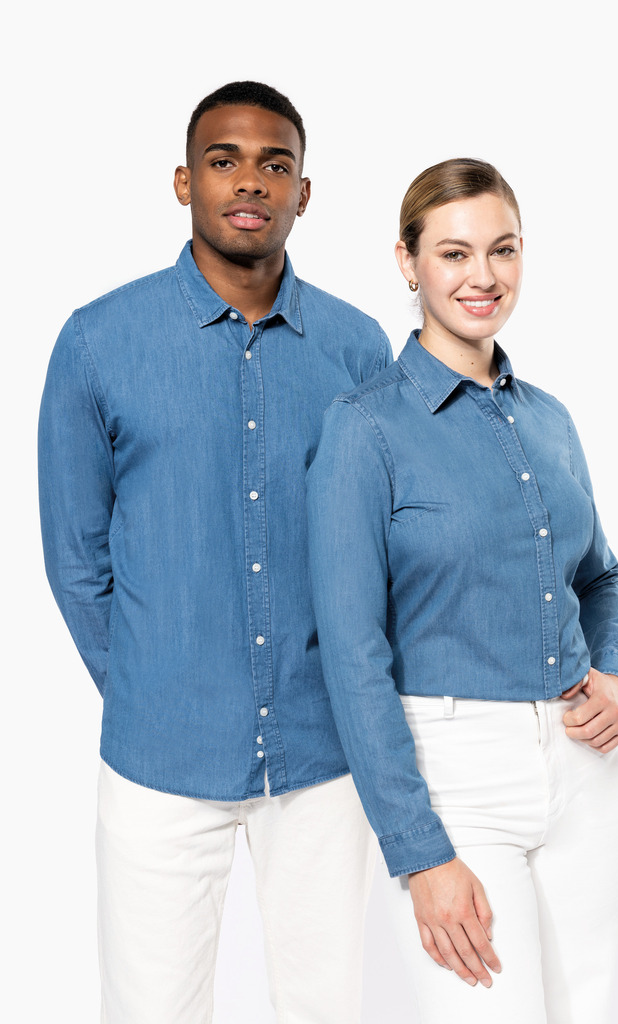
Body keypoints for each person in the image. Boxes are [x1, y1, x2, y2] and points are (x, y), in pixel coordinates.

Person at [38, 80, 391, 1024]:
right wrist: (153, 687)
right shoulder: (98, 341)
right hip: (159, 757)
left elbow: (389, 549)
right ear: (183, 181)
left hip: (322, 757)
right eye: (223, 160)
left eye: (275, 164)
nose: (249, 182)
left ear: (303, 193)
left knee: (326, 1007)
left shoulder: (359, 350)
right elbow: (75, 560)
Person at [307, 158, 618, 1023]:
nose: (482, 276)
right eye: (454, 253)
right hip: (454, 776)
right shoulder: (363, 428)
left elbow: (599, 577)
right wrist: (419, 852)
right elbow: (352, 656)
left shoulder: (550, 419)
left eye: (503, 249)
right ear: (407, 261)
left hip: (585, 771)